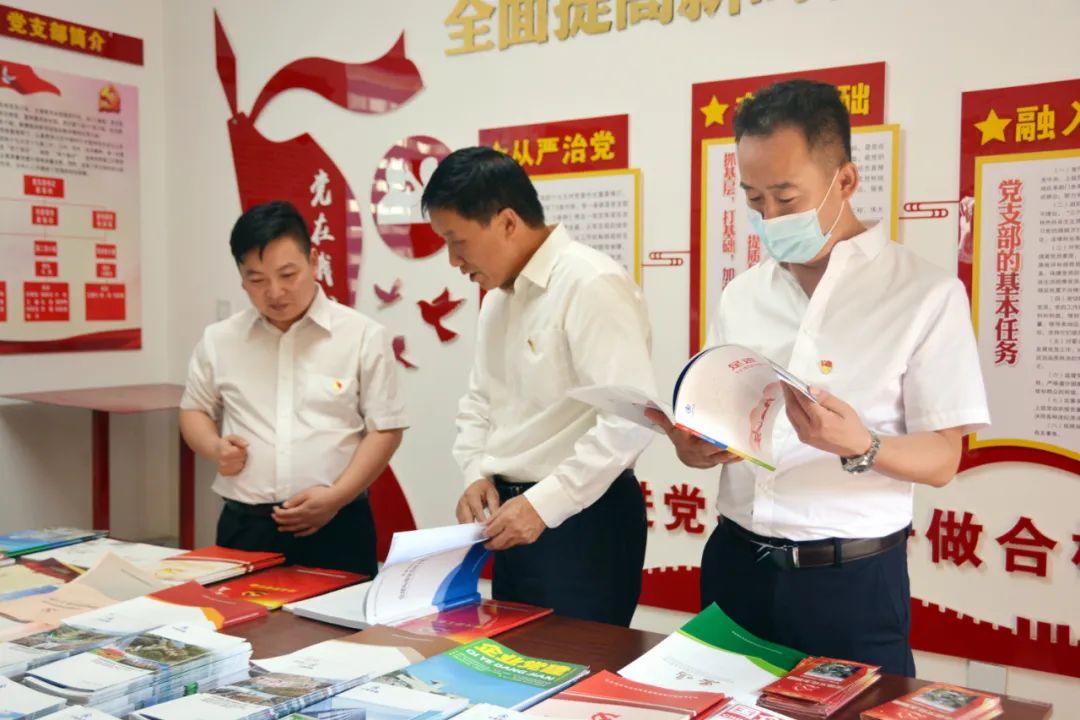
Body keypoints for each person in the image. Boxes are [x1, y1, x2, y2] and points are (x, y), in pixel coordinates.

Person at [649, 80, 990, 675]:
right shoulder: (743, 294)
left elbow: (943, 459)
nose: (770, 218)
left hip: (850, 582)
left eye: (786, 197)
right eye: (754, 199)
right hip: (736, 563)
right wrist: (697, 445)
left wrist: (862, 445)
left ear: (845, 180)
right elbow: (722, 411)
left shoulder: (924, 294)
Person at [422, 146, 656, 626]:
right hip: (513, 518)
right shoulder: (498, 300)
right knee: (517, 659)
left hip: (582, 521)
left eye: (457, 241)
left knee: (579, 663)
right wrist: (475, 474)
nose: (453, 260)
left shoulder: (589, 284)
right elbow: (480, 402)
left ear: (507, 222)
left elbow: (628, 421)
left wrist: (544, 504)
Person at [179, 200, 406, 576]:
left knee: (341, 616)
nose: (275, 292)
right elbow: (195, 409)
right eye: (257, 280)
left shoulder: (362, 335)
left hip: (337, 525)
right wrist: (214, 447)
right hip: (246, 528)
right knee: (239, 616)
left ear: (313, 262)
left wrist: (337, 496)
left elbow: (386, 429)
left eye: (288, 274)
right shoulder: (220, 339)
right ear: (241, 278)